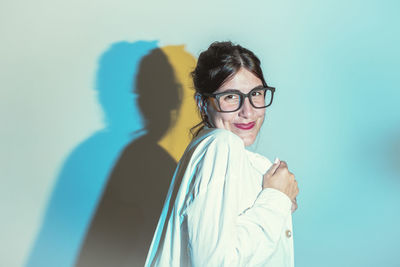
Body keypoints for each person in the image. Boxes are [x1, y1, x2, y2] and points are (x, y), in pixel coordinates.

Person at [144, 41, 299, 267]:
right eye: (230, 97)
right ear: (202, 104)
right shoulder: (220, 145)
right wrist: (276, 198)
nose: (248, 111)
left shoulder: (232, 157)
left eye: (256, 93)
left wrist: (280, 202)